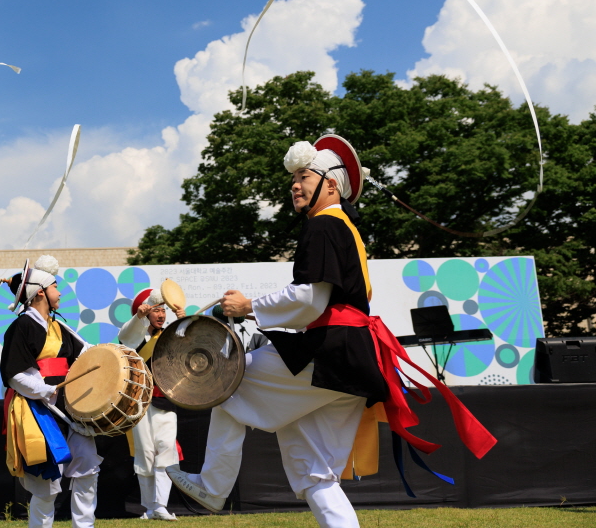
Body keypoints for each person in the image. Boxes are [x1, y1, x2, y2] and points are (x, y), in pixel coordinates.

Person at [168, 135, 496, 528]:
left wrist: (248, 306)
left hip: (329, 352)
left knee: (227, 381)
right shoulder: (345, 227)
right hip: (352, 362)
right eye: (293, 179)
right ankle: (215, 486)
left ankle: (212, 485)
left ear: (330, 183)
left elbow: (311, 298)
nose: (294, 185)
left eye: (303, 176)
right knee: (314, 473)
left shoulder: (323, 225)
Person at [0, 255, 101, 528]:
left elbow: (85, 358)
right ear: (41, 293)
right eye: (56, 287)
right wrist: (47, 389)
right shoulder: (21, 326)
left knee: (87, 469)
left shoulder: (59, 326)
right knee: (46, 484)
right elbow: (15, 374)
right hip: (38, 410)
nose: (60, 292)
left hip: (71, 408)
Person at [117, 288, 179, 521]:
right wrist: (138, 318)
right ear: (144, 312)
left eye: (164, 310)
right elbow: (125, 337)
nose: (161, 314)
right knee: (145, 453)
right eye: (156, 310)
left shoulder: (172, 333)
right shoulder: (137, 335)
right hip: (139, 399)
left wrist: (185, 322)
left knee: (166, 448)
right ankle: (150, 507)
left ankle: (161, 505)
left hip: (167, 398)